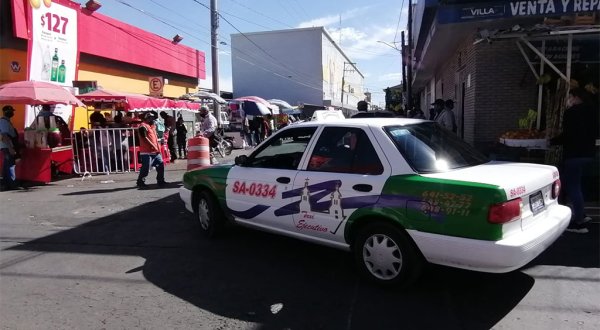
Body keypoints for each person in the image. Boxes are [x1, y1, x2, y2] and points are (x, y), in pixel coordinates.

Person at [550, 88, 599, 234]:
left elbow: (568, 135)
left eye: (570, 97)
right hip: (588, 153)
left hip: (574, 155)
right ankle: (581, 214)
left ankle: (578, 223)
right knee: (570, 182)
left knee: (572, 186)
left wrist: (552, 141)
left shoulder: (571, 113)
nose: (569, 100)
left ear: (576, 97)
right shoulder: (593, 112)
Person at [136, 112, 166, 189]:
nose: (153, 120)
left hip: (155, 150)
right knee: (146, 167)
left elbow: (154, 137)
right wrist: (152, 145)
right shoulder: (143, 126)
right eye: (151, 118)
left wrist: (159, 143)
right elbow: (144, 137)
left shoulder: (152, 126)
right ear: (147, 118)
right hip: (146, 151)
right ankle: (140, 182)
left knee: (160, 165)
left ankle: (160, 180)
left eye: (153, 118)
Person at [0, 105, 22, 191]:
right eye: (11, 111)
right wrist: (10, 148)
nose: (12, 113)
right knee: (10, 165)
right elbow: (5, 135)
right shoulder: (4, 122)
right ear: (6, 112)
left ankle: (5, 184)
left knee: (7, 165)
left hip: (7, 145)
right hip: (6, 146)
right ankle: (13, 184)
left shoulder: (7, 121)